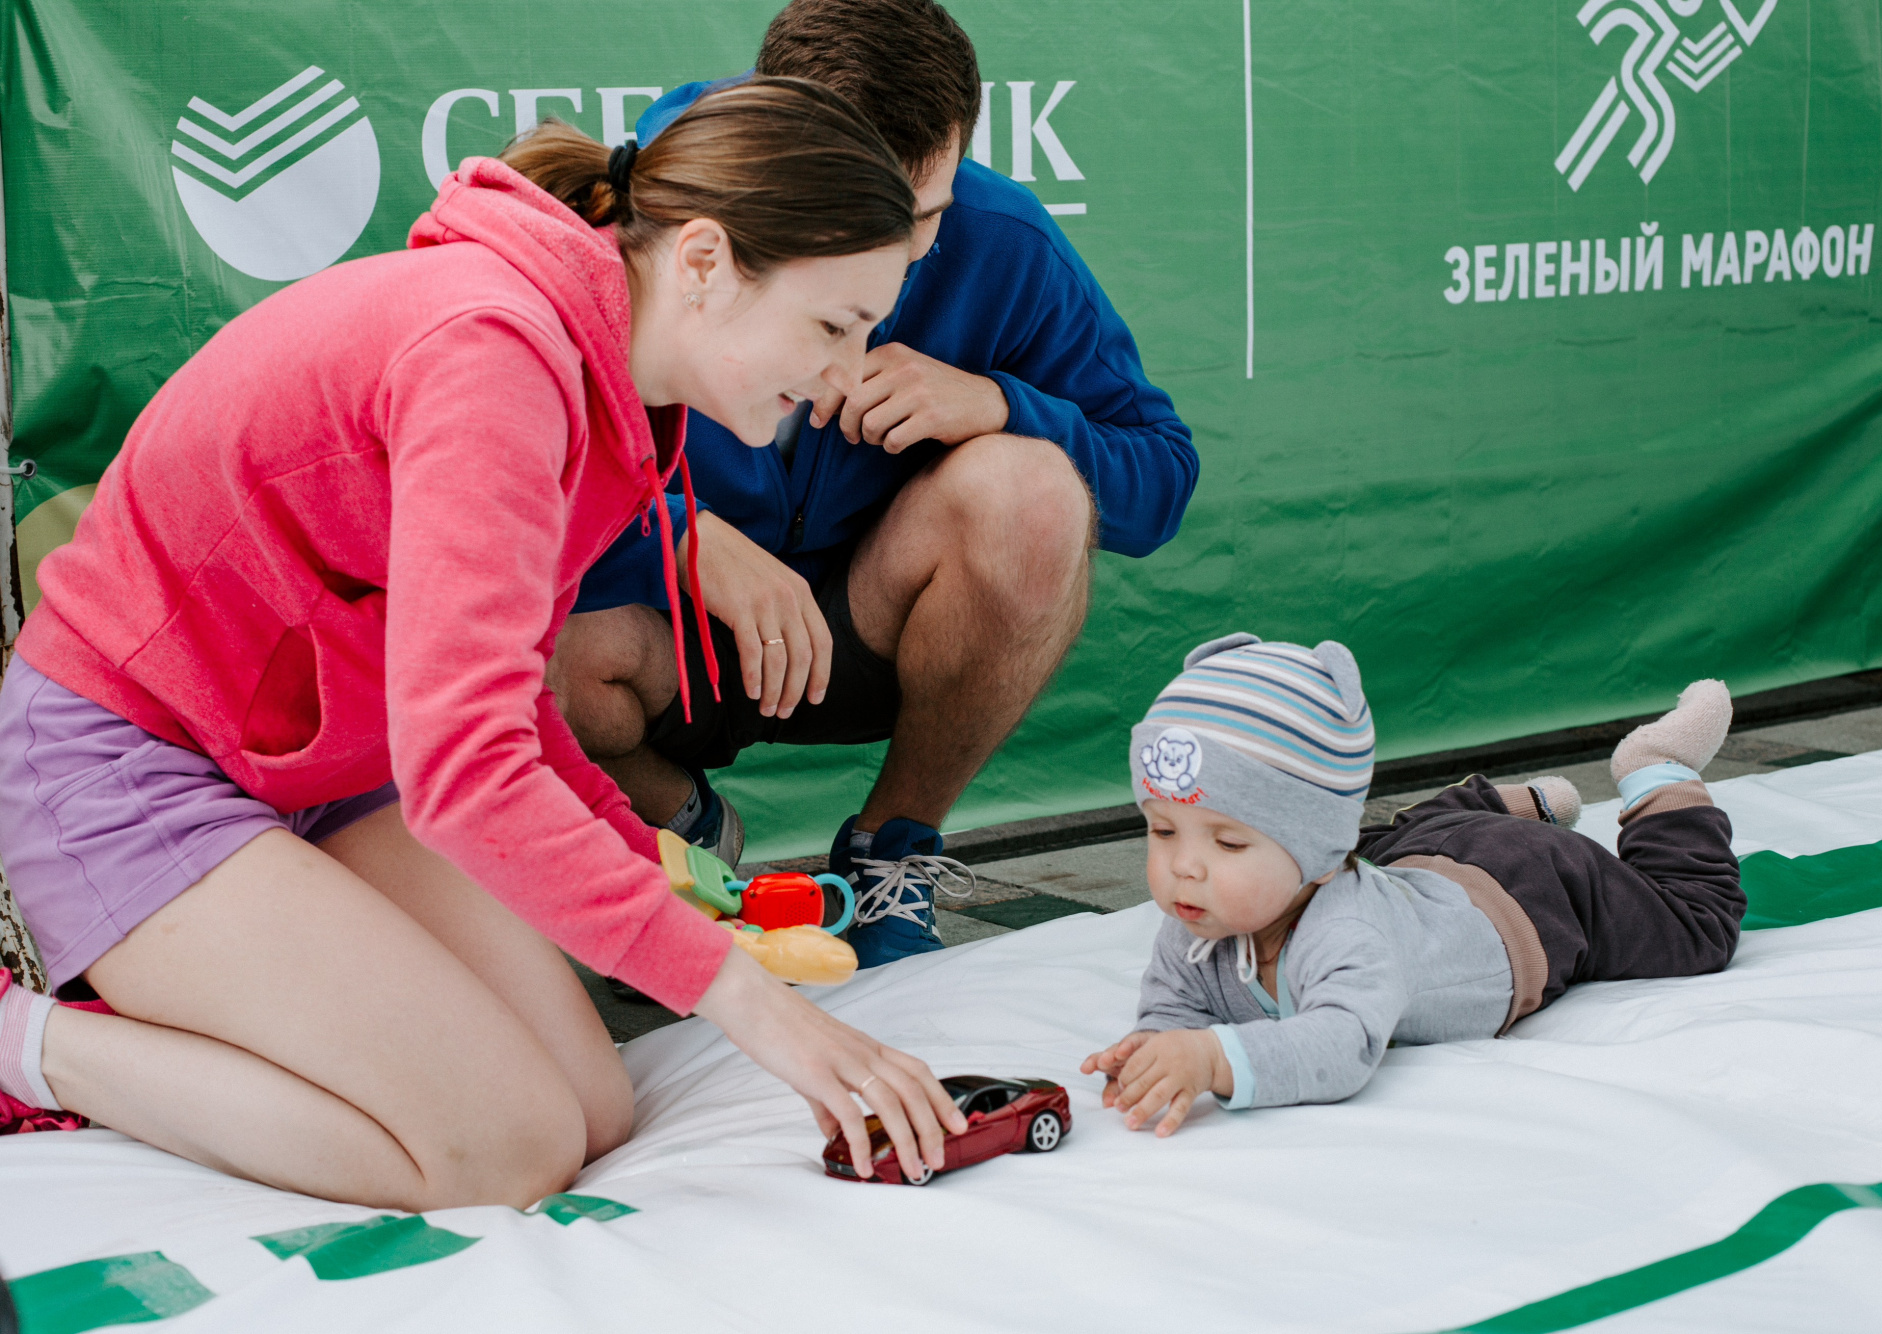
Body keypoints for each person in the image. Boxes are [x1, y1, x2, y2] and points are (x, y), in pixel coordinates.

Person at [0, 79, 966, 1199]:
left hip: (324, 756)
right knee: (504, 1148)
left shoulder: (612, 383)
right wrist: (754, 1005)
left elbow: (495, 704)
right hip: (129, 762)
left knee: (592, 1109)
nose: (847, 374)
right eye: (833, 326)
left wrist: (657, 868)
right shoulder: (497, 355)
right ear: (702, 262)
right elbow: (466, 770)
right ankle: (34, 1043)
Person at [548, 0, 1199, 968]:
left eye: (921, 220)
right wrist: (676, 530)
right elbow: (497, 488)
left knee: (1033, 492)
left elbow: (1160, 475)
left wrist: (997, 403)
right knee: (523, 643)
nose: (888, 276)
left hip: (864, 627)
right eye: (855, 224)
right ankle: (683, 837)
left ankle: (890, 854)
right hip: (666, 640)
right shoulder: (645, 210)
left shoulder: (1003, 243)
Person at [1082, 635, 1744, 1135]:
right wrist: (1158, 1045)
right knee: (1382, 839)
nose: (1183, 867)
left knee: (1693, 928)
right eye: (1163, 831)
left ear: (1314, 856)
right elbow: (1176, 1005)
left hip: (1529, 893)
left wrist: (1210, 1058)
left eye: (1227, 841)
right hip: (1412, 857)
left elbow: (1341, 1046)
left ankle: (1656, 771)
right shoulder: (1197, 921)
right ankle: (1502, 803)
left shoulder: (1347, 934)